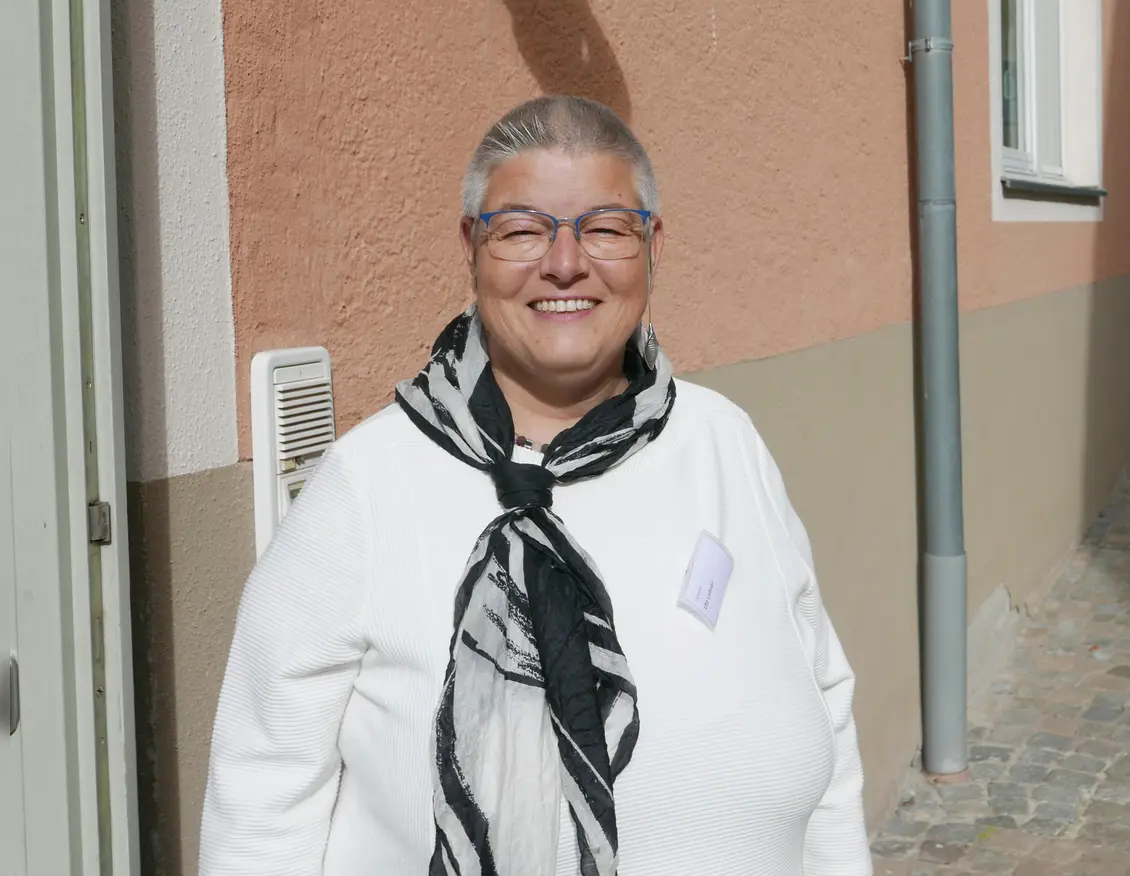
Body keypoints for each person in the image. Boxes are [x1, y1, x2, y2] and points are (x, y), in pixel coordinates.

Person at [199, 95, 872, 876]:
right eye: (522, 229)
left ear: (653, 244)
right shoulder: (368, 487)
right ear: (471, 247)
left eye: (606, 228)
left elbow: (826, 702)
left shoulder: (726, 444)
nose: (564, 263)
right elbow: (262, 799)